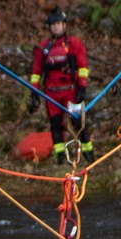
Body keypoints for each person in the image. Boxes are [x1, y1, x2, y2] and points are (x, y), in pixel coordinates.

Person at [29, 8, 95, 165]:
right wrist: (34, 92)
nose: (56, 27)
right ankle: (61, 156)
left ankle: (89, 153)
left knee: (78, 122)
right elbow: (36, 72)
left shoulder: (75, 44)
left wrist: (82, 88)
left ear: (64, 25)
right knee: (55, 124)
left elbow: (83, 67)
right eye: (53, 24)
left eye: (59, 24)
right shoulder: (42, 48)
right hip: (51, 94)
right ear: (49, 27)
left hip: (71, 91)